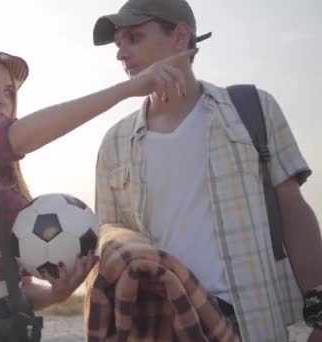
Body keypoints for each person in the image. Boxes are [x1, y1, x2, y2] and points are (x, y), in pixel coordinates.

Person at [0, 36, 194, 341]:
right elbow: (20, 138)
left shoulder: (5, 175)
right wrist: (129, 89)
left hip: (7, 325)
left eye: (8, 91)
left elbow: (22, 289)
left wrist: (58, 293)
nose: (3, 99)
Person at [92, 0, 322, 340]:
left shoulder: (253, 110)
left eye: (134, 38)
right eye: (118, 44)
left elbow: (294, 212)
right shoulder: (114, 143)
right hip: (163, 328)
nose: (121, 54)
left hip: (252, 325)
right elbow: (110, 247)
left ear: (181, 36)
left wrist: (320, 318)